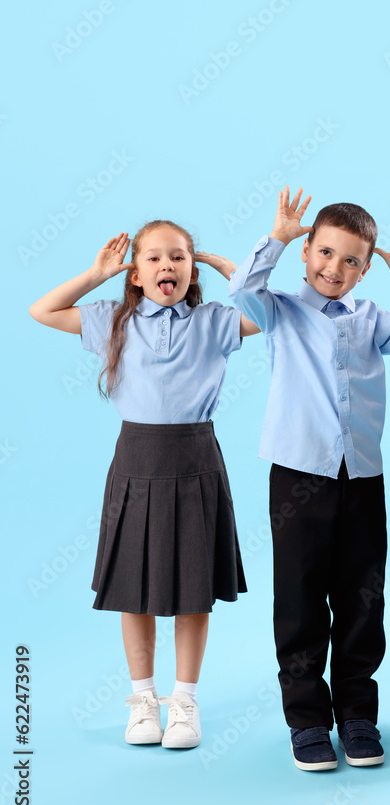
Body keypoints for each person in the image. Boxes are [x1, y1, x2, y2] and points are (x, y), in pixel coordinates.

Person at [228, 186, 390, 771]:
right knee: (299, 600)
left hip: (362, 478)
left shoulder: (372, 318)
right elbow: (241, 290)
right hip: (299, 474)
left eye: (351, 260)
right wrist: (278, 235)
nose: (334, 268)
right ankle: (306, 722)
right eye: (324, 253)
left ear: (366, 267)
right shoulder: (279, 311)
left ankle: (357, 717)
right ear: (307, 254)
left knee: (361, 598)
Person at [29, 221, 259, 749]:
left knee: (193, 589)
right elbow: (41, 310)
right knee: (135, 587)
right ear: (135, 274)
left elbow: (273, 317)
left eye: (178, 257)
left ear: (191, 269)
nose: (167, 267)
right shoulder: (113, 320)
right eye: (153, 259)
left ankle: (184, 702)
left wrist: (234, 272)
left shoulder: (214, 322)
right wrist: (95, 274)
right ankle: (143, 701)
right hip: (135, 460)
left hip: (197, 458)